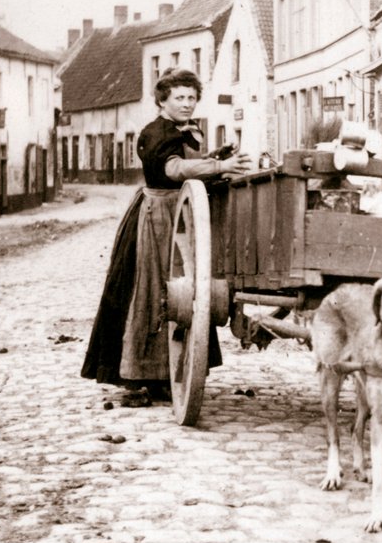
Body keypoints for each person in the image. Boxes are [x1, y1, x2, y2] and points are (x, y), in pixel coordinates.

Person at [81, 68, 253, 400]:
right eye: (180, 98)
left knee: (188, 290)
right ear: (163, 99)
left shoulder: (188, 131)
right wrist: (217, 167)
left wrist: (214, 158)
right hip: (158, 217)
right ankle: (145, 374)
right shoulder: (154, 132)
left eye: (192, 97)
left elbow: (190, 163)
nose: (187, 104)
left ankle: (176, 368)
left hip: (185, 212)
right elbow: (172, 169)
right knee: (156, 288)